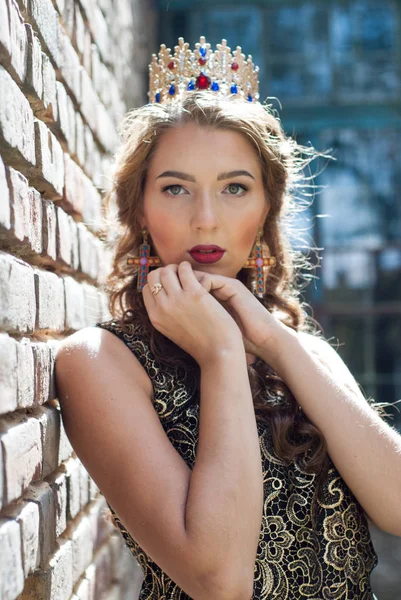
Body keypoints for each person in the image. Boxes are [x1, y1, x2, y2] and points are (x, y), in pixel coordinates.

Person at [55, 37, 401, 600]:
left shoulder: (302, 351)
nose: (206, 219)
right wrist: (220, 355)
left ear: (267, 209)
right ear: (140, 208)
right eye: (176, 188)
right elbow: (221, 581)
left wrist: (274, 342)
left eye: (235, 188)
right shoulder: (100, 362)